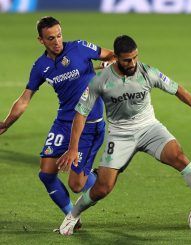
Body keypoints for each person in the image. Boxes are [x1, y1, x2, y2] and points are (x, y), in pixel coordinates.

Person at [56, 35, 191, 235]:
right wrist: (73, 148)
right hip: (120, 134)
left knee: (178, 156)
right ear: (116, 58)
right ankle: (73, 215)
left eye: (135, 57)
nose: (133, 63)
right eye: (127, 59)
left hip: (149, 127)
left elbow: (178, 89)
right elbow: (81, 113)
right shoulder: (100, 81)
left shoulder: (147, 72)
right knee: (103, 187)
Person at [0, 16, 114, 222]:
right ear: (41, 40)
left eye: (59, 35)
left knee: (77, 184)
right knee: (46, 174)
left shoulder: (80, 47)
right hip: (64, 122)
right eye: (51, 38)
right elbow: (25, 99)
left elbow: (112, 56)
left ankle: (102, 181)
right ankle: (72, 217)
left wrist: (107, 64)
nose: (57, 41)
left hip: (89, 122)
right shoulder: (40, 66)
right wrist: (6, 123)